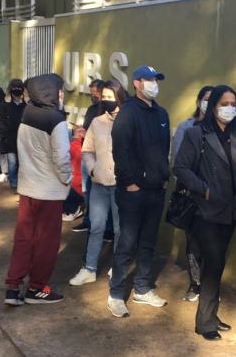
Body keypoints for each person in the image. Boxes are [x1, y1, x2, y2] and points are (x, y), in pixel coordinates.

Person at [173, 85, 236, 340]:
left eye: (233, 104)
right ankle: (205, 322)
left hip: (230, 210)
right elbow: (181, 168)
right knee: (213, 263)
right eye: (224, 103)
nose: (229, 108)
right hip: (206, 211)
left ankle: (210, 315)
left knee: (216, 264)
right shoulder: (197, 134)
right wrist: (203, 190)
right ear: (213, 105)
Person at [107, 65, 171, 317]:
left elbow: (164, 149)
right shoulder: (128, 113)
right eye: (148, 79)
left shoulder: (162, 113)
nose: (154, 83)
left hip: (156, 190)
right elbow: (119, 151)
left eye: (156, 79)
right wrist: (130, 183)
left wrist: (164, 177)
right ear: (136, 83)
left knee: (148, 243)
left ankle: (142, 288)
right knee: (127, 243)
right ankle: (116, 293)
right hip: (133, 191)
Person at [3, 73, 70, 307]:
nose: (62, 94)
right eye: (60, 90)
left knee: (23, 238)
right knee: (46, 243)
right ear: (51, 91)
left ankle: (13, 286)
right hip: (49, 192)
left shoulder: (27, 113)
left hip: (27, 187)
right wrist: (68, 180)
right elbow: (61, 159)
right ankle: (37, 288)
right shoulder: (56, 120)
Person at [69, 81, 124, 286]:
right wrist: (92, 169)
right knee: (96, 227)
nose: (108, 101)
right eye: (105, 98)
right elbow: (87, 150)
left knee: (120, 230)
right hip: (100, 183)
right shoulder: (97, 122)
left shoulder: (129, 120)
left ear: (120, 97)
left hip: (121, 185)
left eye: (112, 97)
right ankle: (89, 268)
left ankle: (118, 267)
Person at [172, 85, 213, 302]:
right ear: (198, 102)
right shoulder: (186, 128)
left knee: (212, 243)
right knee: (194, 242)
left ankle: (209, 287)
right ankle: (195, 284)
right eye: (206, 99)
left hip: (215, 197)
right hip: (193, 195)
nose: (210, 103)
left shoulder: (222, 129)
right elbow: (178, 164)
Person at [74, 79, 107, 233]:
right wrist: (81, 131)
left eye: (95, 94)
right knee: (86, 191)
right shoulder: (91, 109)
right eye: (91, 94)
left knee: (98, 194)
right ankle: (87, 221)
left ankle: (103, 228)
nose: (93, 97)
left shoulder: (106, 111)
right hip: (87, 155)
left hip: (100, 158)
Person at [0, 78, 26, 188]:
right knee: (12, 162)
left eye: (19, 89)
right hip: (9, 140)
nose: (17, 91)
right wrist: (5, 135)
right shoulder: (4, 106)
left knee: (22, 163)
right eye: (14, 89)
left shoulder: (26, 106)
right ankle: (13, 182)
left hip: (23, 140)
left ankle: (21, 182)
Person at [62, 125, 86, 221]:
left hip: (75, 184)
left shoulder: (71, 146)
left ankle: (73, 210)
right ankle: (75, 208)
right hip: (83, 184)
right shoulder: (88, 147)